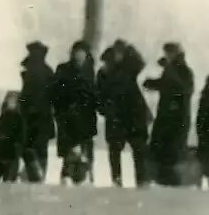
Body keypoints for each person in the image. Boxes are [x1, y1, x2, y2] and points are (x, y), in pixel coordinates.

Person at [99, 41, 151, 187]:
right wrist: (104, 109)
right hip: (116, 114)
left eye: (121, 53)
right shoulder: (105, 71)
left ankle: (141, 179)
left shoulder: (129, 68)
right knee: (115, 149)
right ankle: (117, 179)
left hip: (134, 114)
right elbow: (99, 93)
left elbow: (140, 63)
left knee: (138, 148)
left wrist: (130, 49)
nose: (118, 56)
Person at [144, 43, 195, 187]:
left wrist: (169, 69)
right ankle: (163, 180)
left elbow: (183, 88)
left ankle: (173, 182)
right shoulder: (170, 69)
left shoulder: (184, 70)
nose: (167, 56)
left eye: (169, 53)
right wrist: (153, 83)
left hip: (178, 118)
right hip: (165, 117)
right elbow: (167, 85)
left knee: (172, 151)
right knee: (160, 149)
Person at [51, 41, 98, 183]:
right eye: (76, 52)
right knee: (69, 152)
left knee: (85, 151)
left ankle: (85, 177)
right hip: (68, 117)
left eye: (81, 53)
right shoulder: (63, 69)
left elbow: (94, 94)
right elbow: (55, 91)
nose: (78, 55)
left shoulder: (90, 71)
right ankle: (67, 176)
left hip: (86, 118)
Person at [20, 42, 57, 181]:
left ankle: (34, 172)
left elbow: (26, 96)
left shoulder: (31, 72)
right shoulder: (48, 71)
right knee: (41, 149)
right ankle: (39, 173)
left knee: (29, 147)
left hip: (31, 117)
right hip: (44, 117)